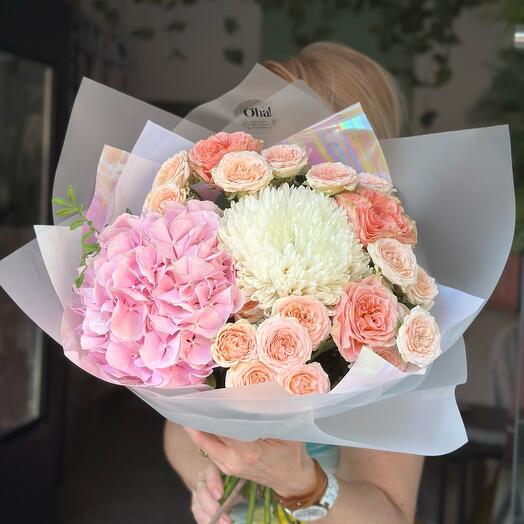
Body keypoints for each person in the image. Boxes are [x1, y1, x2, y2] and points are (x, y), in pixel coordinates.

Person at [164, 42, 423, 524]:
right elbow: (178, 428)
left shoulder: (396, 307)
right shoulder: (215, 259)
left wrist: (299, 484)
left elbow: (392, 516)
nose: (275, 154)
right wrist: (210, 473)